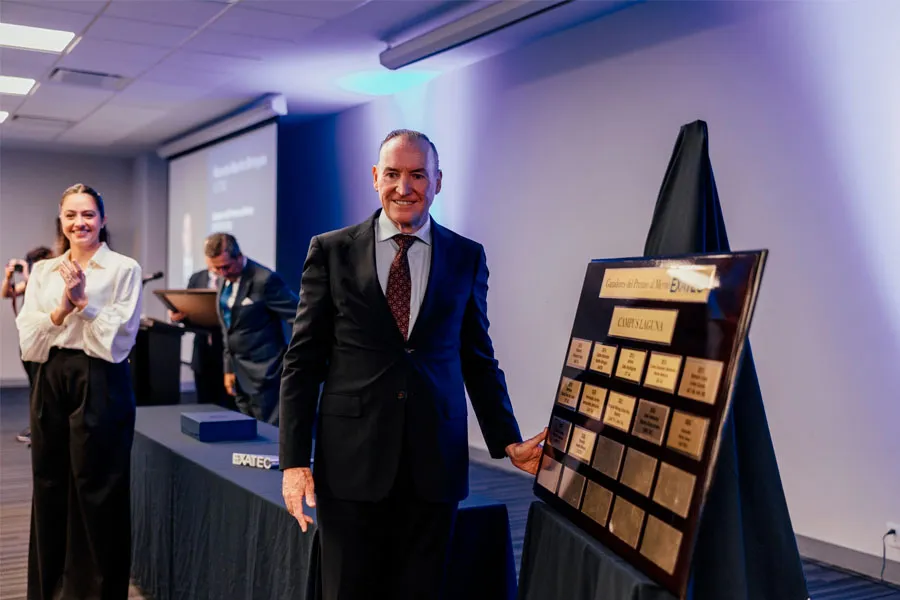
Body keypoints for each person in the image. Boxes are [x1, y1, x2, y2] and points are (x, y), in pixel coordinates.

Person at [279, 129, 547, 600]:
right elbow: (302, 361)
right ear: (374, 178)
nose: (404, 187)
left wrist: (507, 441)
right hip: (351, 462)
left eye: (417, 174)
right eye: (393, 174)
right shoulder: (332, 250)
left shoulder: (467, 256)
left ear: (438, 181)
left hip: (434, 462)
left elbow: (477, 358)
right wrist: (295, 461)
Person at [15, 183, 142, 600]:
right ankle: (51, 590)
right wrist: (63, 308)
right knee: (49, 483)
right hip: (51, 378)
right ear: (61, 220)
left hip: (101, 379)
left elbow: (118, 340)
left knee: (98, 487)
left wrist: (83, 303)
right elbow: (30, 339)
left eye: (87, 214)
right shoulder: (46, 271)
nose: (79, 223)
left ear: (102, 220)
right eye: (71, 215)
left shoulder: (123, 269)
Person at [205, 233, 298, 424]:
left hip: (266, 375)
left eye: (226, 266)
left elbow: (299, 317)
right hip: (238, 376)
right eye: (216, 269)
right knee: (247, 439)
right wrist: (228, 368)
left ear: (239, 256)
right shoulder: (223, 280)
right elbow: (228, 329)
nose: (222, 272)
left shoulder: (264, 280)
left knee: (270, 439)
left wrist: (295, 361)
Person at [3, 246, 55, 444]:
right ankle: (39, 427)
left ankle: (43, 429)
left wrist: (27, 274)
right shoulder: (31, 281)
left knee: (43, 387)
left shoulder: (50, 280)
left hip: (47, 342)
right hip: (30, 340)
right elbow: (6, 293)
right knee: (35, 386)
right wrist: (8, 277)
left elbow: (38, 287)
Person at [169, 258, 233, 409]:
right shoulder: (197, 278)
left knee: (228, 404)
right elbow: (189, 312)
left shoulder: (232, 277)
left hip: (227, 350)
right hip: (202, 350)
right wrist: (177, 316)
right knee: (203, 403)